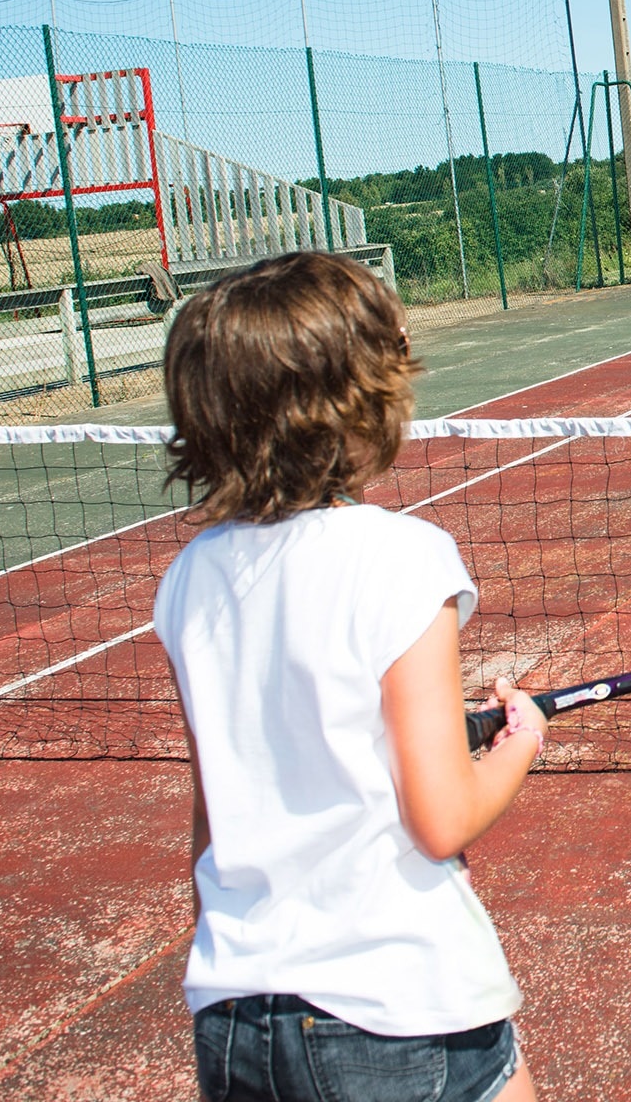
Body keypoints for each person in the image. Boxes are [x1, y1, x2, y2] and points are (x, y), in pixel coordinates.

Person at [155, 251, 543, 1102]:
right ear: (360, 402)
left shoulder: (187, 577)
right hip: (397, 1004)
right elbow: (443, 818)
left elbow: (211, 818)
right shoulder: (404, 557)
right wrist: (520, 744)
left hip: (233, 1013)